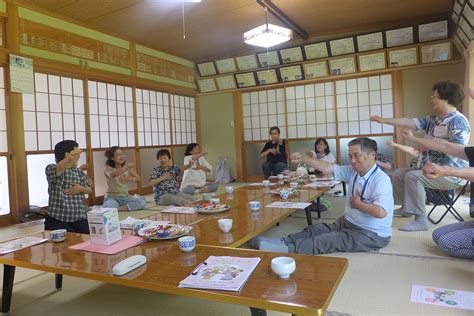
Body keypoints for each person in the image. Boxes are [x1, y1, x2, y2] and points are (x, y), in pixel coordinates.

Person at [252, 137, 394, 255]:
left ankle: (286, 249)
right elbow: (328, 168)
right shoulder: (354, 170)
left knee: (328, 240)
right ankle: (283, 241)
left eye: (356, 156)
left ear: (372, 155)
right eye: (350, 156)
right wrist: (305, 158)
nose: (352, 160)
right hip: (349, 222)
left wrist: (359, 205)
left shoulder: (381, 180)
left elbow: (381, 212)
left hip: (371, 234)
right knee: (316, 230)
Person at [371, 81, 470, 231]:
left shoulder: (458, 121)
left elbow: (458, 150)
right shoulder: (432, 119)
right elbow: (410, 122)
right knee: (398, 174)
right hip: (429, 169)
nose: (431, 99)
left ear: (447, 98)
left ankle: (420, 220)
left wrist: (417, 140)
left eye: (434, 96)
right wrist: (384, 120)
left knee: (413, 176)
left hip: (452, 174)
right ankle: (406, 209)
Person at [403, 132, 473, 259]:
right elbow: (445, 146)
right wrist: (413, 138)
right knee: (437, 235)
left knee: (447, 243)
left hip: (452, 178)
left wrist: (445, 170)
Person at [45, 140, 92, 233]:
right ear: (67, 155)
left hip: (78, 218)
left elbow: (89, 189)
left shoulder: (78, 171)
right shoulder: (52, 168)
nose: (78, 156)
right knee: (69, 239)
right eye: (76, 153)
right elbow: (59, 168)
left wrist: (81, 189)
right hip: (57, 219)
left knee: (90, 234)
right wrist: (69, 158)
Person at [102, 146, 147, 211]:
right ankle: (116, 208)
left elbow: (138, 178)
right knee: (108, 208)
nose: (122, 156)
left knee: (142, 202)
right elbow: (112, 175)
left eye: (122, 154)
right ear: (112, 157)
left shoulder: (127, 167)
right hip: (112, 198)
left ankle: (118, 209)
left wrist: (129, 178)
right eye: (118, 155)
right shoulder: (108, 168)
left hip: (125, 197)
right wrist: (124, 169)